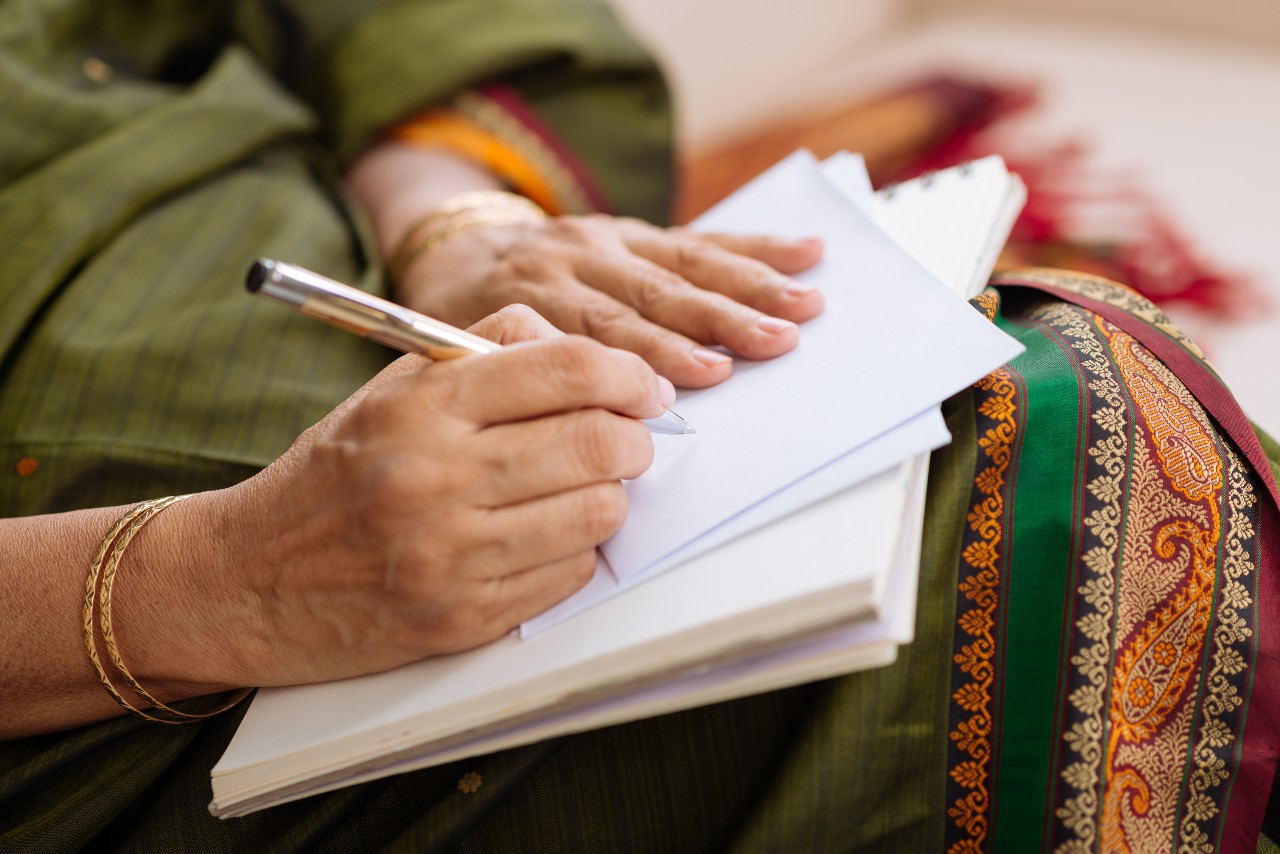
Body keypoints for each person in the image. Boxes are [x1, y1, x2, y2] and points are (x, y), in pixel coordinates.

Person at [2, 2, 1278, 852]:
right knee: (1070, 467)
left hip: (371, 291)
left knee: (1029, 388)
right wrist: (205, 584)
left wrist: (462, 233)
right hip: (121, 681)